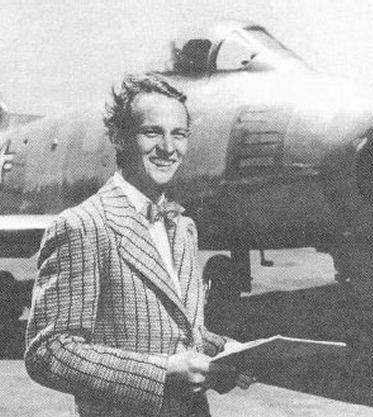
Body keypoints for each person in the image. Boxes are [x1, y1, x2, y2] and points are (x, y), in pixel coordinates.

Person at [24, 73, 253, 416]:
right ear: (118, 138)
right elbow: (50, 351)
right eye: (152, 132)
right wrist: (162, 374)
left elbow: (179, 333)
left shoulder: (182, 227)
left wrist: (227, 351)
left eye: (179, 134)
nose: (168, 148)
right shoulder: (83, 226)